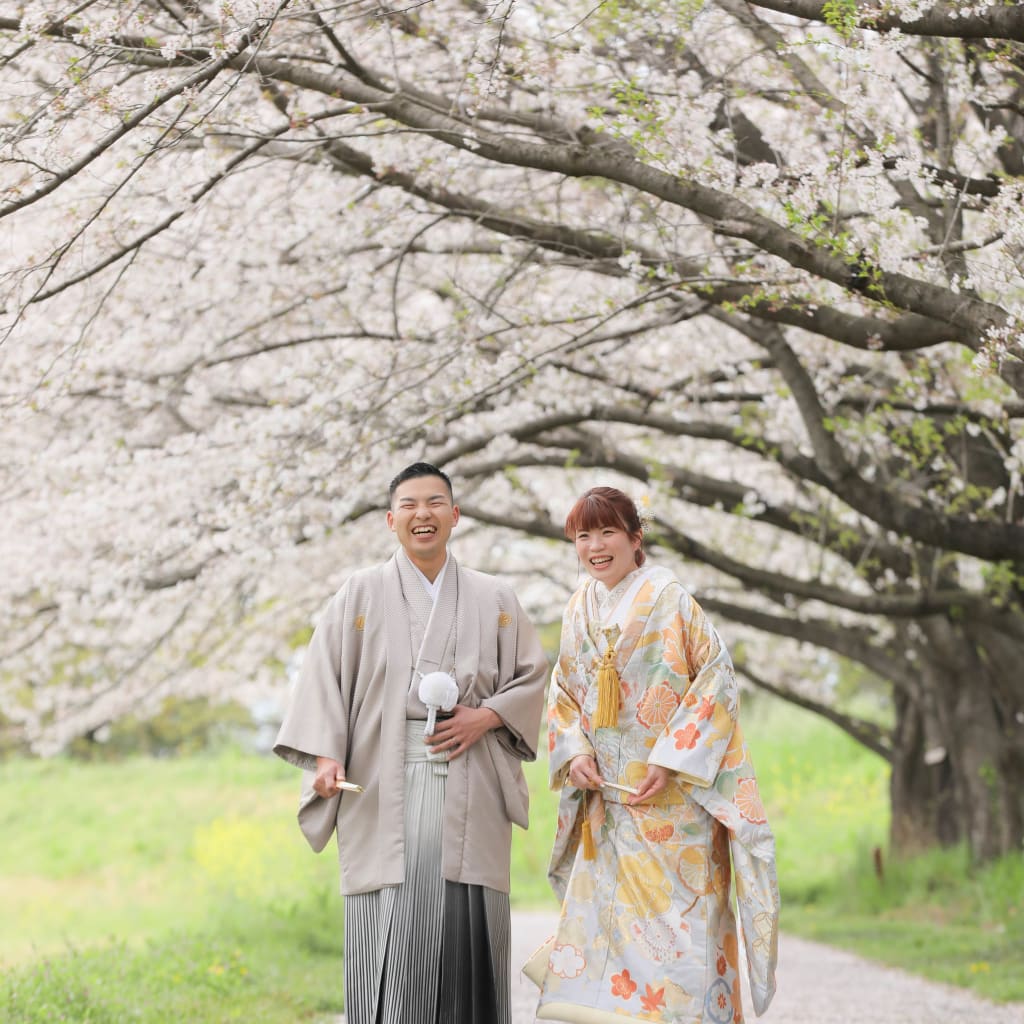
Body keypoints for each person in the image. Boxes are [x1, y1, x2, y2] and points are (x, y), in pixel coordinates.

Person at [274, 462, 548, 1024]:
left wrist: (486, 717)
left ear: (455, 515)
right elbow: (323, 677)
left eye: (435, 502)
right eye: (410, 504)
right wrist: (326, 755)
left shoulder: (495, 596)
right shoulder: (360, 593)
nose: (423, 514)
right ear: (390, 519)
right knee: (390, 919)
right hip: (382, 774)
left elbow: (531, 677)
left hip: (473, 770)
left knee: (467, 919)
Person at [528, 486, 779, 1024]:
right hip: (609, 806)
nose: (595, 546)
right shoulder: (578, 606)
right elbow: (564, 690)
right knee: (610, 943)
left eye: (608, 532)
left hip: (675, 806)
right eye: (583, 535)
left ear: (635, 537)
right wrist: (574, 752)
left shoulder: (671, 600)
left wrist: (671, 758)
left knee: (681, 940)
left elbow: (716, 680)